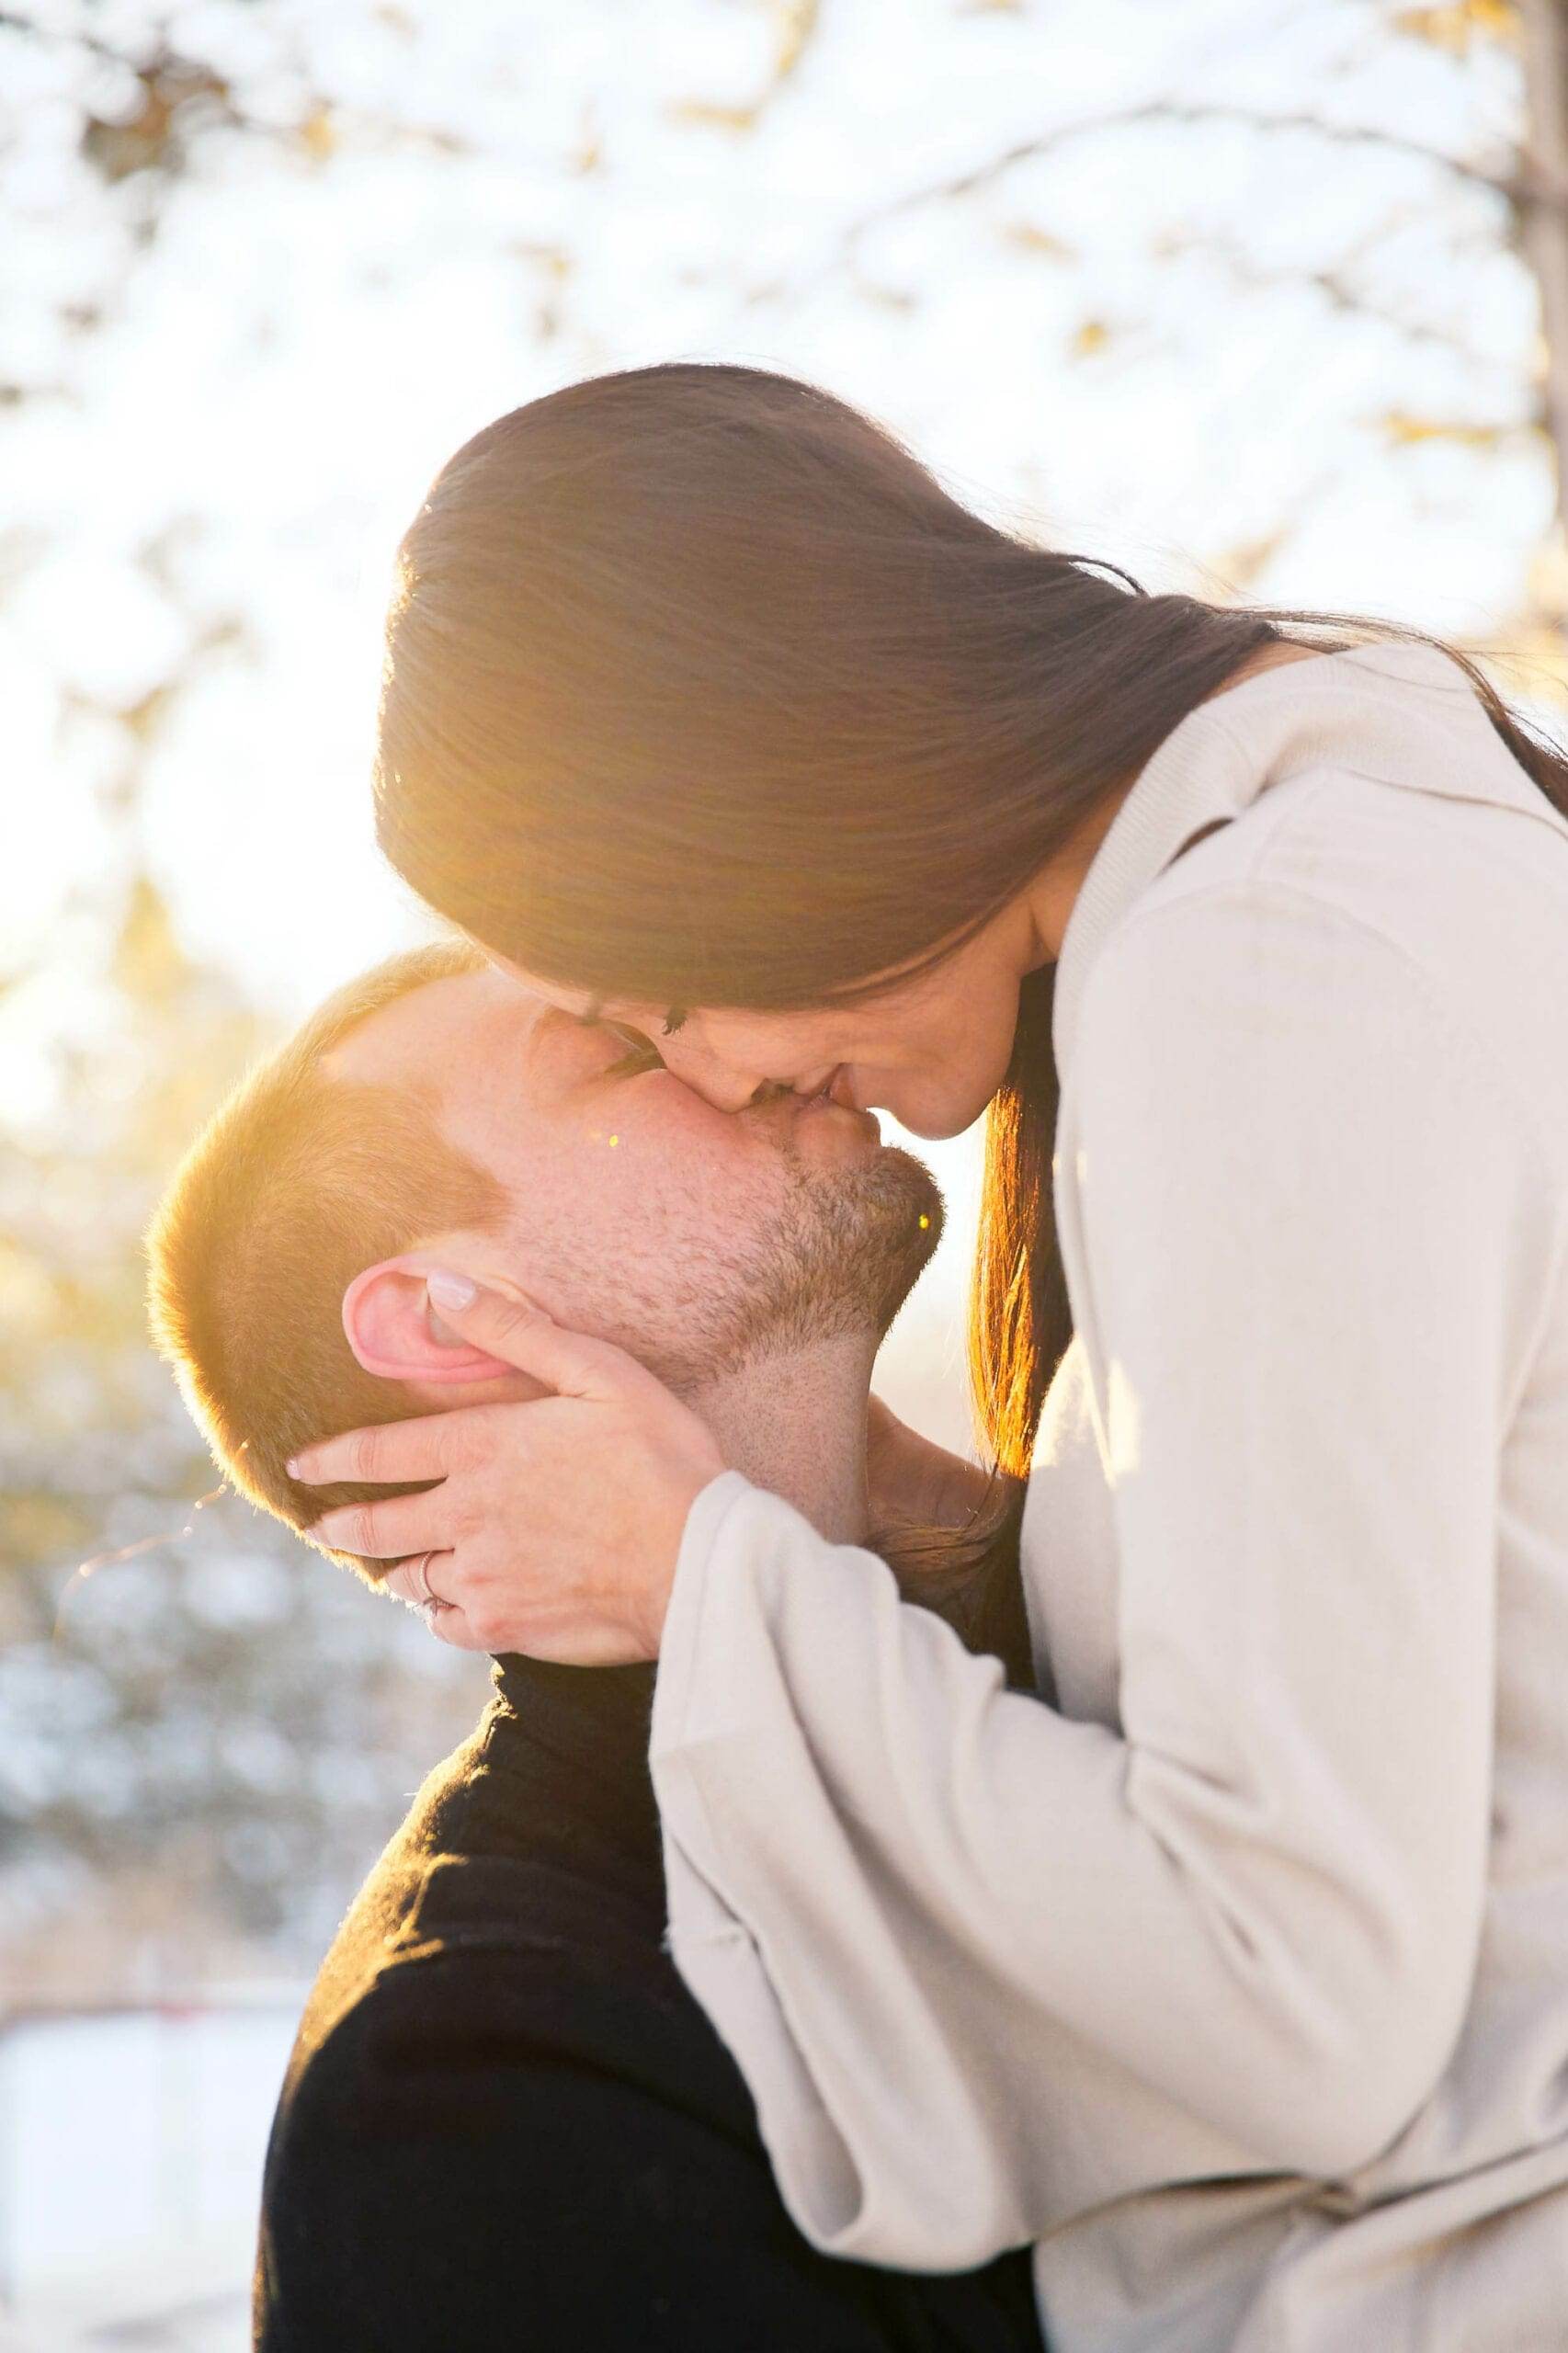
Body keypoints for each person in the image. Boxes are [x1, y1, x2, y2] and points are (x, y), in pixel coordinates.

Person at [291, 363, 1568, 2350]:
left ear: (759, 767)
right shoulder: (1349, 862)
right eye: (629, 1038)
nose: (718, 1061)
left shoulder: (1265, 973)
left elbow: (1290, 1985)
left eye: (661, 979)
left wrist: (705, 1575)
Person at [145, 940, 1044, 2351]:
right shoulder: (478, 2079)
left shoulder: (1099, 1640)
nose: (733, 1045)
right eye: (626, 1055)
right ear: (444, 1321)